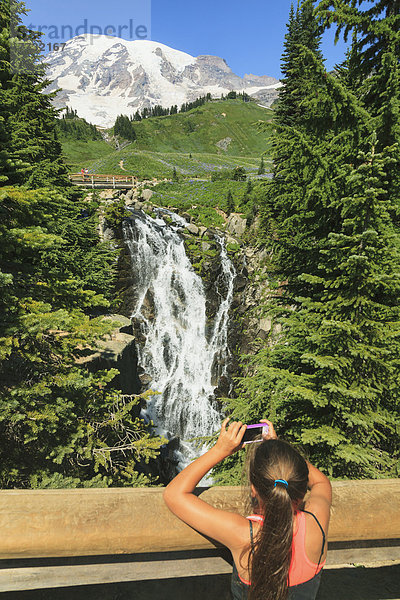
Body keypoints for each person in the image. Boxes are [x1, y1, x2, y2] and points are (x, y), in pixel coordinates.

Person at [163, 419, 332, 600]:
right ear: (299, 486)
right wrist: (281, 454)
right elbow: (321, 482)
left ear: (253, 488)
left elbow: (174, 494)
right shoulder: (316, 522)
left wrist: (221, 450)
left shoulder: (244, 534)